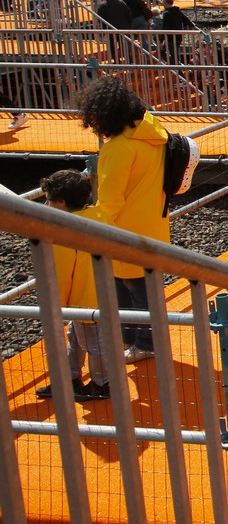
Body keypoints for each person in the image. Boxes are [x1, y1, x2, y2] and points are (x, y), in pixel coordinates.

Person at [75, 76, 170, 364]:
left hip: (123, 232)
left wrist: (84, 223)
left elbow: (110, 202)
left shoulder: (117, 149)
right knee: (139, 290)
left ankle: (144, 343)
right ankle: (134, 341)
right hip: (153, 225)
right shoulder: (152, 132)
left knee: (132, 293)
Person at [35, 169, 111, 401]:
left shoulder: (64, 232)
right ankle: (70, 378)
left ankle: (102, 384)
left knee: (93, 344)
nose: (46, 204)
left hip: (81, 299)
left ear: (61, 202)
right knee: (78, 338)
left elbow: (61, 272)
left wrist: (55, 304)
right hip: (98, 291)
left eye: (48, 199)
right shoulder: (98, 215)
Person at [156, 0, 196, 64]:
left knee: (171, 54)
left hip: (171, 37)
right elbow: (185, 20)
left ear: (165, 2)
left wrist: (161, 40)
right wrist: (192, 26)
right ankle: (173, 64)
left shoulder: (166, 13)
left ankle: (176, 67)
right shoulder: (177, 11)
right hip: (178, 36)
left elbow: (165, 27)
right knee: (172, 53)